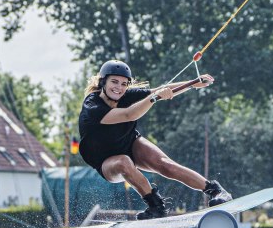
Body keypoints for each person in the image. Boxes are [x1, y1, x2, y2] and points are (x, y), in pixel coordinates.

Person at [78, 60, 232, 219]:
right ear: (103, 81)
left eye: (124, 84)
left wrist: (192, 83)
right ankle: (155, 206)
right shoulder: (92, 105)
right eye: (114, 82)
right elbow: (128, 115)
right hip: (106, 161)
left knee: (166, 165)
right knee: (123, 162)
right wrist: (153, 98)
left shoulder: (126, 95)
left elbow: (160, 90)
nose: (119, 88)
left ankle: (215, 191)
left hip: (130, 143)